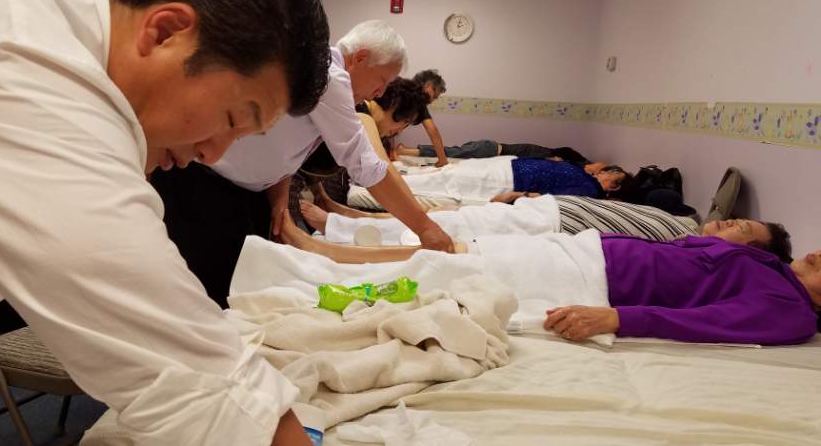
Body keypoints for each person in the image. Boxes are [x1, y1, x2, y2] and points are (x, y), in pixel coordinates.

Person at [0, 0, 330, 446]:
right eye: (233, 118)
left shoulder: (27, 26)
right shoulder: (15, 72)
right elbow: (207, 388)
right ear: (165, 31)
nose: (214, 153)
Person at [150, 21, 454, 307]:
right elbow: (367, 167)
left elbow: (283, 144)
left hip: (248, 190)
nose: (380, 93)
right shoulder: (329, 77)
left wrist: (279, 192)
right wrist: (426, 228)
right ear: (360, 58)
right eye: (382, 81)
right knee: (208, 292)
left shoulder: (322, 77)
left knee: (239, 284)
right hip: (207, 182)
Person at [274, 217, 819, 345]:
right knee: (460, 251)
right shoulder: (772, 268)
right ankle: (328, 255)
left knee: (449, 266)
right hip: (587, 253)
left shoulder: (790, 310)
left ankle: (317, 271)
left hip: (595, 280)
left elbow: (705, 322)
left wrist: (619, 318)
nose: (818, 253)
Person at [296, 190, 791, 263]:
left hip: (553, 229)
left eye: (742, 230)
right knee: (452, 219)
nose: (731, 222)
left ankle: (338, 231)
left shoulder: (684, 247)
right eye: (740, 218)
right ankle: (343, 222)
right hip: (551, 211)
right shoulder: (684, 224)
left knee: (452, 232)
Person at [390, 155, 630, 204]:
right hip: (509, 165)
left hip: (508, 180)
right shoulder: (586, 176)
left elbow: (551, 200)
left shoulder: (590, 192)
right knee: (451, 170)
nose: (604, 172)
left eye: (610, 174)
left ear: (615, 186)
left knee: (450, 180)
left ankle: (388, 184)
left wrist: (517, 196)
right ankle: (396, 173)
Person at [400, 140, 593, 167]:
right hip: (489, 149)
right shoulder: (541, 153)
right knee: (452, 152)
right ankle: (405, 151)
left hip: (490, 149)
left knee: (453, 152)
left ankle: (406, 151)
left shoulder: (540, 151)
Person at [405, 69, 450, 167]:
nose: (433, 100)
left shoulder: (419, 103)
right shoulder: (405, 93)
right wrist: (443, 160)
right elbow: (433, 131)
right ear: (428, 86)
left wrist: (442, 160)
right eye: (434, 96)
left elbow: (433, 131)